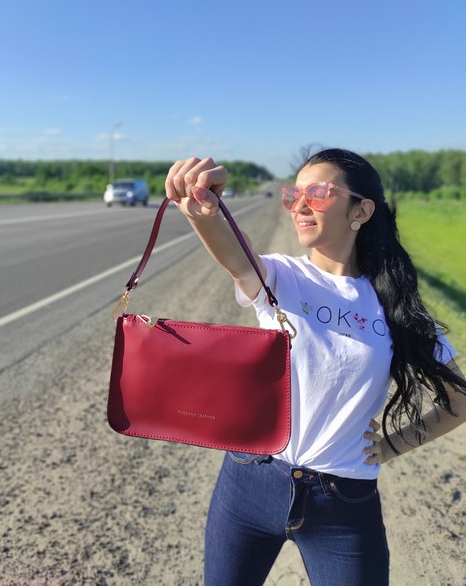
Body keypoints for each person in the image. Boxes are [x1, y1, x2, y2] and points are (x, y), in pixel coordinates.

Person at [164, 148, 466, 586]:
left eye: (319, 193)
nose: (300, 206)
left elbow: (459, 399)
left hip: (343, 504)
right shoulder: (282, 277)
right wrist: (204, 212)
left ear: (361, 211)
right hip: (250, 482)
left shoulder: (395, 308)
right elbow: (234, 253)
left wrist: (390, 446)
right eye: (294, 195)